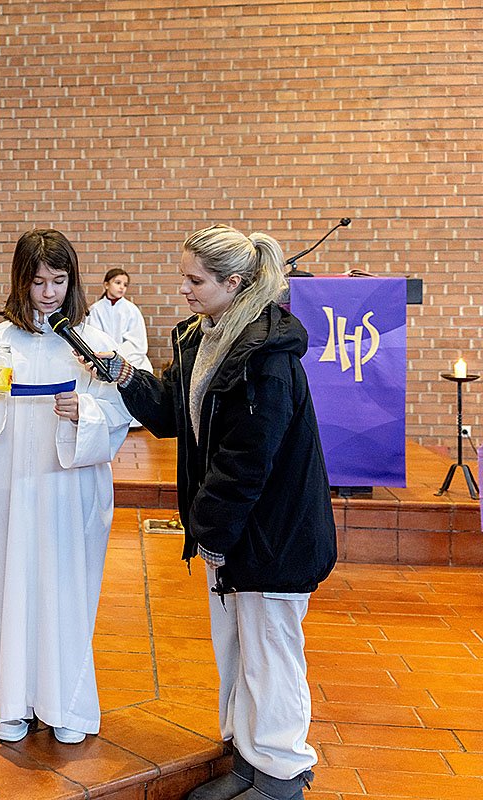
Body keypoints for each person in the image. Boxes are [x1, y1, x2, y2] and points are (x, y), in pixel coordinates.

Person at [91, 224, 336, 800]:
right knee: (239, 652)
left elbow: (247, 460)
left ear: (235, 282)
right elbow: (173, 415)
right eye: (184, 277)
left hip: (272, 533)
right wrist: (123, 375)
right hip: (235, 530)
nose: (184, 289)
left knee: (271, 655)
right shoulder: (202, 337)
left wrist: (210, 530)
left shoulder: (265, 356)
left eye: (195, 280)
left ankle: (282, 775)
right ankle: (249, 760)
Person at [0, 229, 131, 745]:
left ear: (73, 281)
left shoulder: (90, 344)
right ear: (20, 281)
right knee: (9, 586)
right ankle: (12, 702)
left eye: (59, 280)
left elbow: (120, 413)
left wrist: (85, 411)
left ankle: (65, 704)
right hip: (12, 488)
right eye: (37, 281)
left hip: (69, 489)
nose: (48, 292)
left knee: (67, 590)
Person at [86, 268, 153, 372]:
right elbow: (93, 338)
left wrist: (118, 356)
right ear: (106, 285)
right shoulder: (95, 310)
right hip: (102, 360)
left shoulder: (132, 310)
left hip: (131, 360)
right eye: (118, 283)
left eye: (125, 285)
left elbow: (137, 342)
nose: (122, 287)